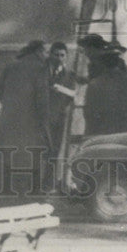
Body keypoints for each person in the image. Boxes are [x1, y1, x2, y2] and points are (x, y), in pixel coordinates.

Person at [0, 39, 54, 201]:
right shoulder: (40, 69)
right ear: (38, 52)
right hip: (31, 124)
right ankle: (31, 198)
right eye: (46, 52)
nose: (47, 56)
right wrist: (45, 125)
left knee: (11, 157)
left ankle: (9, 197)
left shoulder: (10, 66)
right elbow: (42, 101)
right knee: (32, 159)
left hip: (10, 123)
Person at [83, 51, 127, 137]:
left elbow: (89, 113)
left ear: (102, 64)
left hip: (105, 133)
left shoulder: (95, 84)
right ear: (118, 63)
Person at [46, 41, 79, 185]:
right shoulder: (43, 72)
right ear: (50, 55)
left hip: (59, 118)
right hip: (43, 118)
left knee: (55, 150)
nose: (59, 58)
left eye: (62, 55)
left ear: (66, 56)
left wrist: (60, 89)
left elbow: (74, 94)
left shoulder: (70, 75)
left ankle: (50, 182)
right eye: (56, 54)